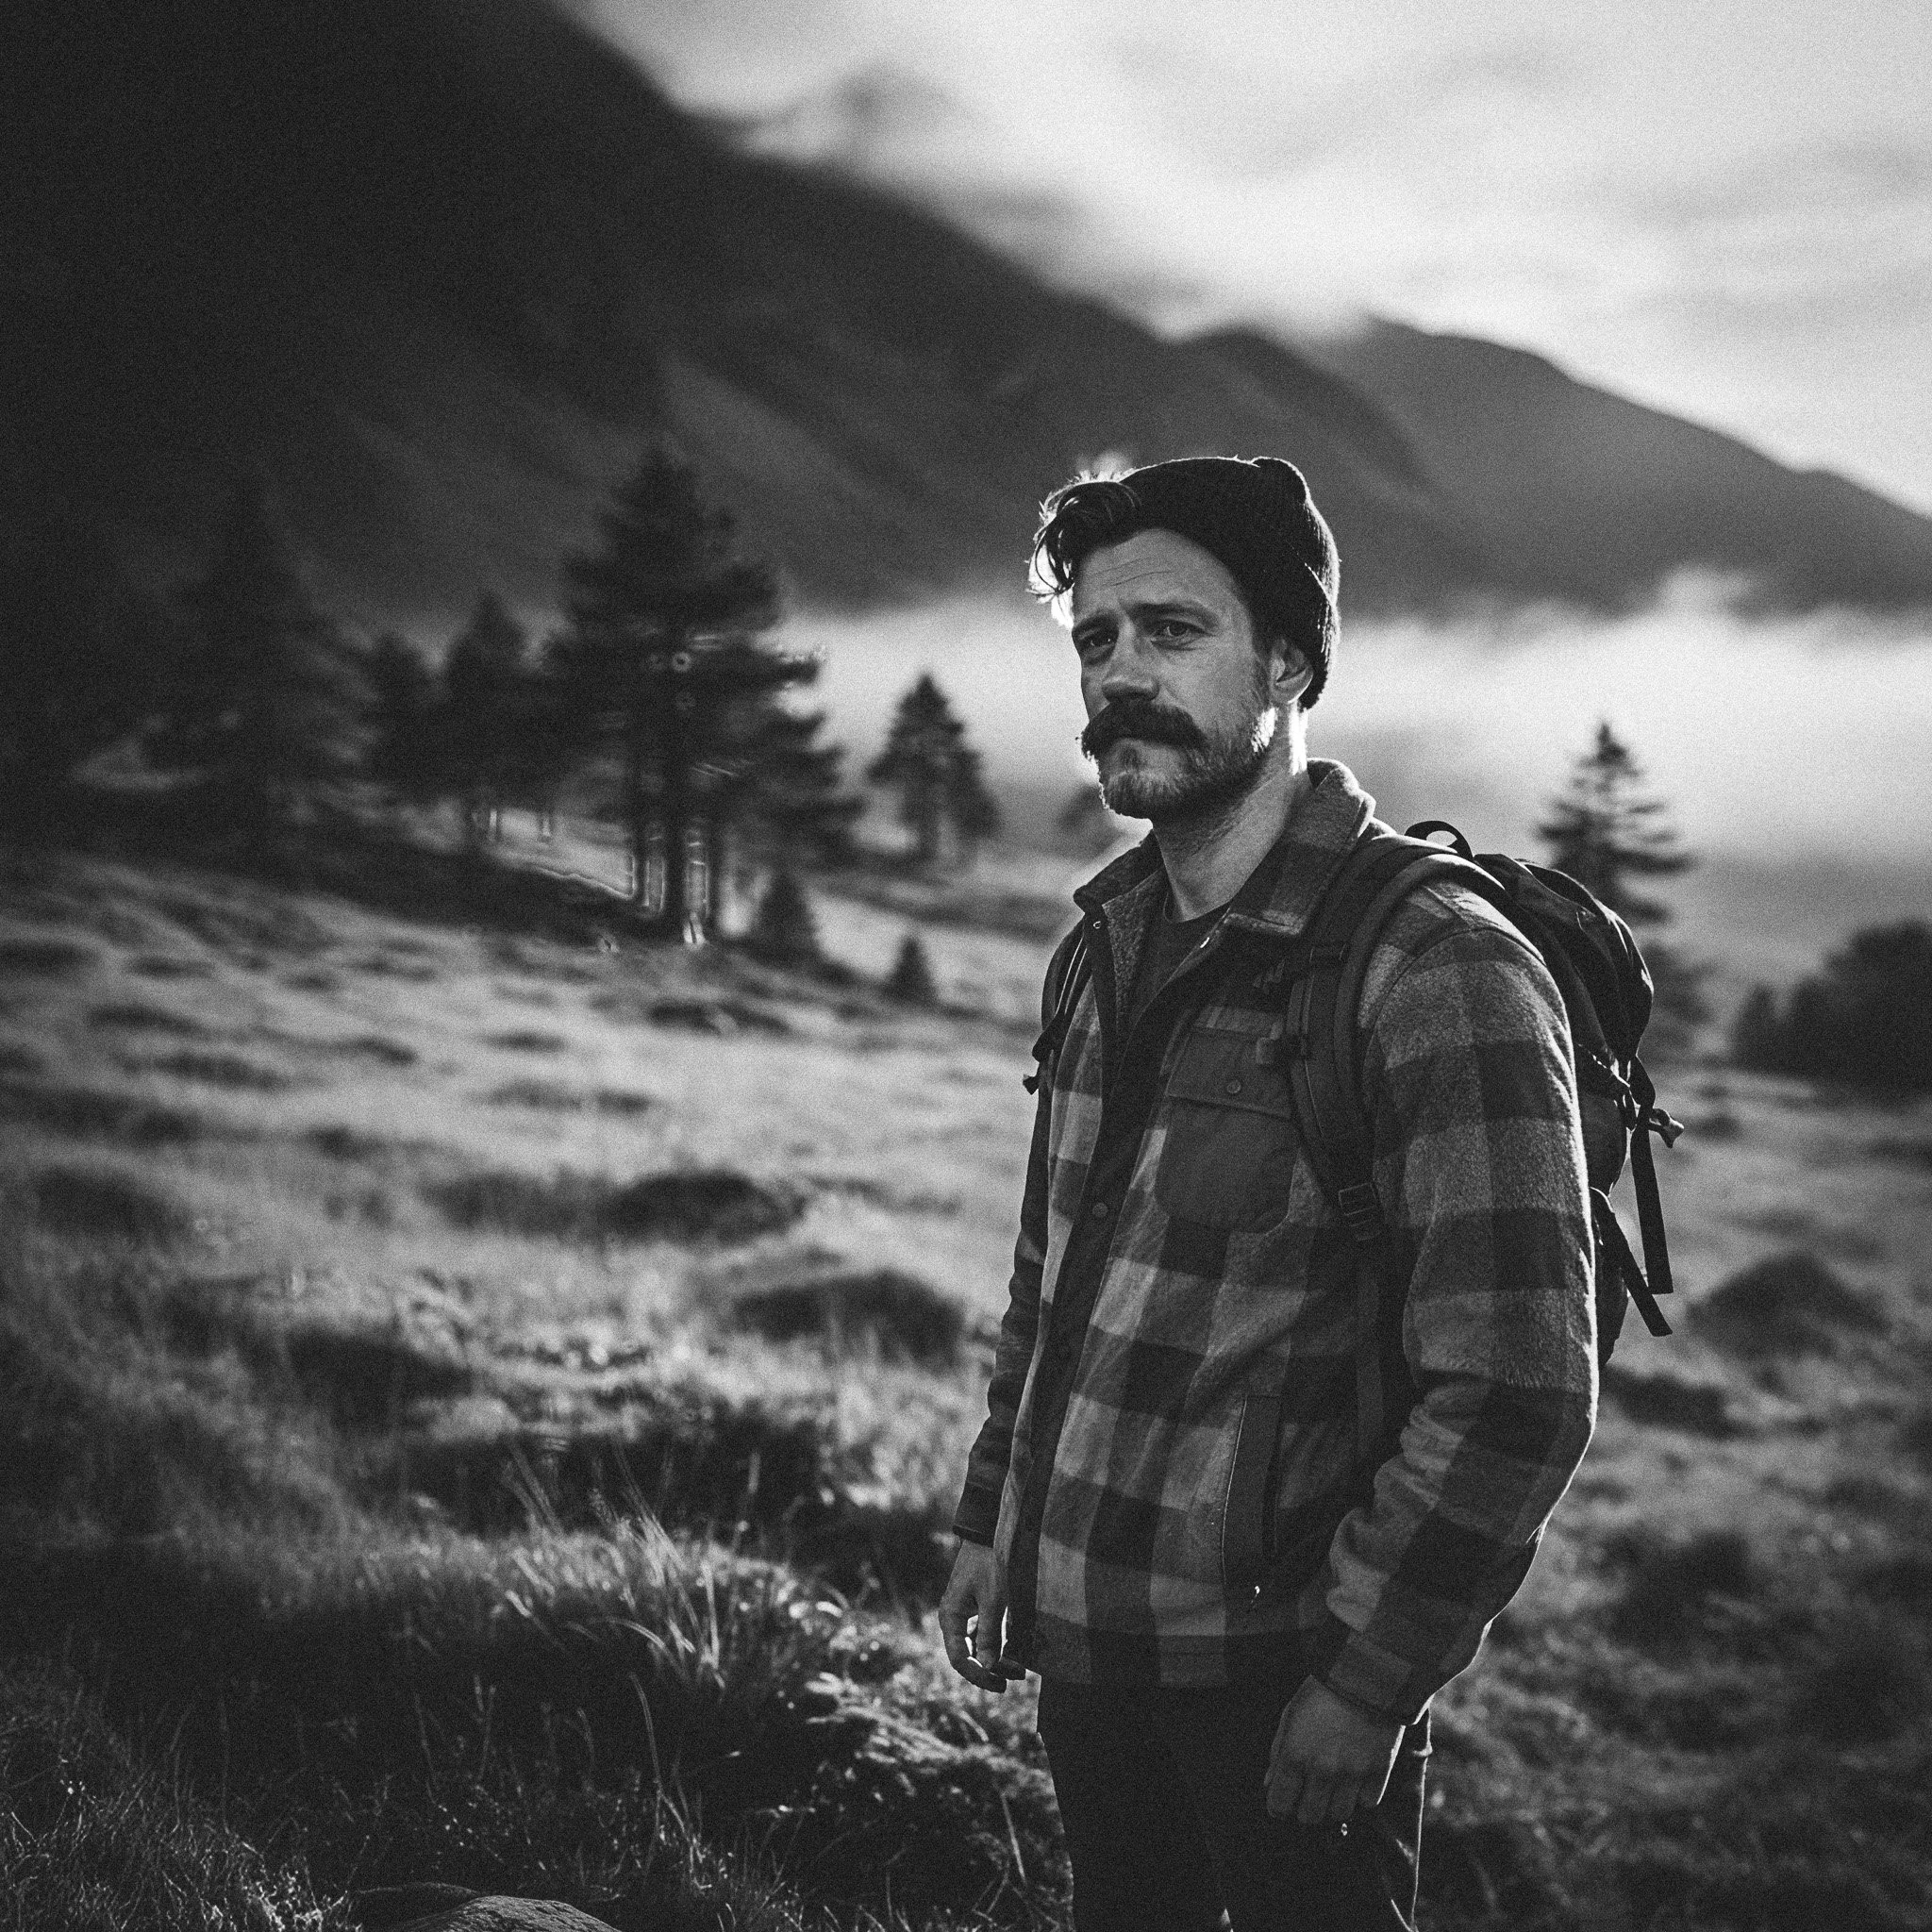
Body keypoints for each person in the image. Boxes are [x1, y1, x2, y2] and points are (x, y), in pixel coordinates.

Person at [939, 456, 1597, 1931]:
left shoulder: (1435, 968)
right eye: (1095, 642)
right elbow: (1056, 1277)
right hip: (1086, 1653)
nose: (1121, 676)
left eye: (1171, 633)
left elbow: (1519, 1384)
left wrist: (1368, 1684)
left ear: (1291, 662)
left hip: (1283, 1686)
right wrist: (997, 1521)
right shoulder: (1105, 944)